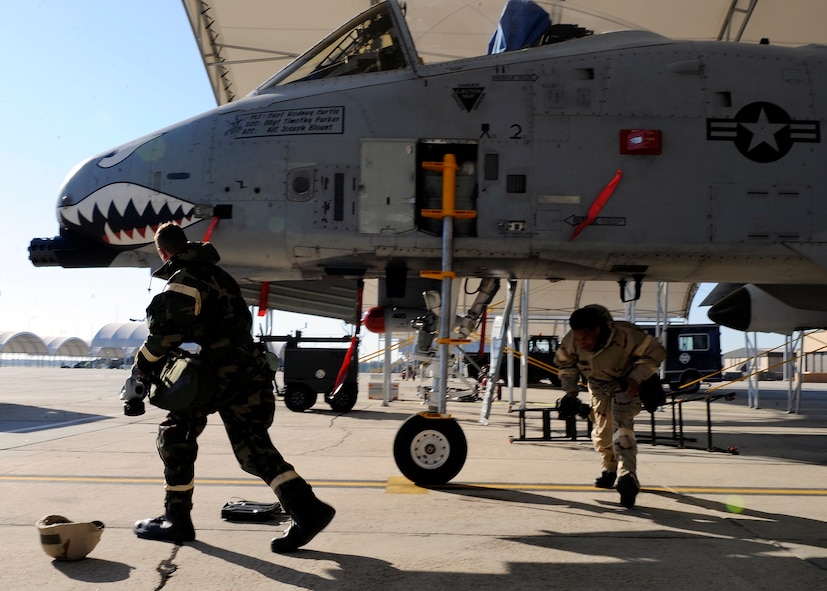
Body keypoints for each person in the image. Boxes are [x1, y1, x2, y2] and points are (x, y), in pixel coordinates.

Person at [131, 221, 334, 552]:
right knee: (252, 448)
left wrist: (140, 367)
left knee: (175, 436)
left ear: (162, 252)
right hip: (248, 370)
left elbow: (166, 336)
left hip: (213, 374)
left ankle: (176, 518)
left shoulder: (184, 280)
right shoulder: (220, 276)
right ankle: (307, 509)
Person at [553, 304, 666, 508]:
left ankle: (627, 476)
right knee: (603, 432)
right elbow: (566, 364)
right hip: (597, 387)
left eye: (585, 338)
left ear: (597, 330)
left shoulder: (626, 335)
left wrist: (636, 377)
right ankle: (610, 468)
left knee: (622, 428)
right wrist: (570, 393)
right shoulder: (572, 340)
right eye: (578, 338)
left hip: (626, 387)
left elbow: (655, 353)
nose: (581, 343)